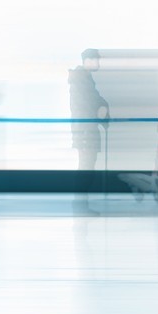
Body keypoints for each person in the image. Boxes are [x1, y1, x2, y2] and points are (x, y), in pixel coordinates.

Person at [69, 48, 110, 214]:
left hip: (86, 130)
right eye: (94, 59)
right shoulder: (80, 80)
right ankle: (80, 206)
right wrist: (101, 109)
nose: (97, 63)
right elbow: (89, 102)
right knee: (86, 169)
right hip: (85, 131)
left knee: (87, 168)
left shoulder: (85, 78)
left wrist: (103, 107)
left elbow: (96, 99)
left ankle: (81, 205)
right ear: (86, 60)